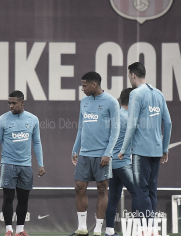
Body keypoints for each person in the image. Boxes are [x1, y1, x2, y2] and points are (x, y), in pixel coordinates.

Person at [118, 62, 172, 221]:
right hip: (156, 150)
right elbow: (168, 123)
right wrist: (165, 149)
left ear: (133, 75)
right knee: (151, 190)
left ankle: (147, 228)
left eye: (129, 76)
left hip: (141, 152)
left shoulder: (136, 94)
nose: (129, 79)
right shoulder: (158, 94)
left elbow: (132, 124)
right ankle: (150, 227)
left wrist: (123, 149)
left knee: (141, 190)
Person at [70, 72, 120, 236]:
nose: (82, 88)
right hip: (84, 154)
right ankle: (82, 228)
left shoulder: (111, 102)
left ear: (94, 84)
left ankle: (98, 230)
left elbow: (115, 130)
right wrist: (75, 148)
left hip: (102, 155)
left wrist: (108, 153)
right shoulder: (84, 101)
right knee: (79, 187)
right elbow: (81, 127)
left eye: (84, 85)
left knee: (102, 189)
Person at [0, 90, 45, 236]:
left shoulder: (33, 119)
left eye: (14, 103)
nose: (11, 106)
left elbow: (37, 142)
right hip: (8, 164)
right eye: (9, 103)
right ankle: (9, 229)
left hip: (26, 165)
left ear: (22, 102)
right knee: (8, 198)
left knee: (23, 199)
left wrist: (41, 164)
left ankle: (20, 230)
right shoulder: (2, 120)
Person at [105, 88, 138, 236]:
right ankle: (139, 230)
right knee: (138, 193)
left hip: (111, 164)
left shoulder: (113, 115)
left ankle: (109, 231)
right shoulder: (128, 117)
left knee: (113, 197)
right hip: (122, 163)